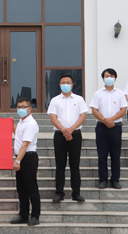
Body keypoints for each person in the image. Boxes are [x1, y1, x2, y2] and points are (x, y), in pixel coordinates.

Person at [47, 74, 87, 203]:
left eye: (68, 82)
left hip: (75, 135)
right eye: (63, 82)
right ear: (59, 85)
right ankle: (59, 193)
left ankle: (76, 193)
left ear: (72, 84)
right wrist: (64, 131)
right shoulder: (55, 100)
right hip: (60, 136)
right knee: (60, 166)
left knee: (75, 165)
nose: (65, 84)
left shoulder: (79, 99)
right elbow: (53, 118)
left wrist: (70, 130)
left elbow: (82, 117)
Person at [90, 68, 128, 189]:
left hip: (116, 127)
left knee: (115, 155)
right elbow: (94, 110)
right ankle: (103, 180)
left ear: (115, 78)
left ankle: (115, 179)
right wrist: (105, 120)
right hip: (102, 127)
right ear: (103, 78)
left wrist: (111, 120)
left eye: (111, 76)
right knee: (102, 155)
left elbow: (123, 110)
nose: (109, 78)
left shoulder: (120, 93)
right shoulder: (98, 94)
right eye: (107, 76)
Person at [10, 97, 40, 226]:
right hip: (22, 157)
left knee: (31, 187)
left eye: (23, 107)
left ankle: (35, 216)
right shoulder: (22, 122)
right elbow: (18, 135)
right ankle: (23, 215)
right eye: (19, 107)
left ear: (29, 108)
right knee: (21, 188)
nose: (21, 109)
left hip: (28, 158)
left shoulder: (31, 123)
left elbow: (25, 144)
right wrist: (12, 125)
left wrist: (17, 161)